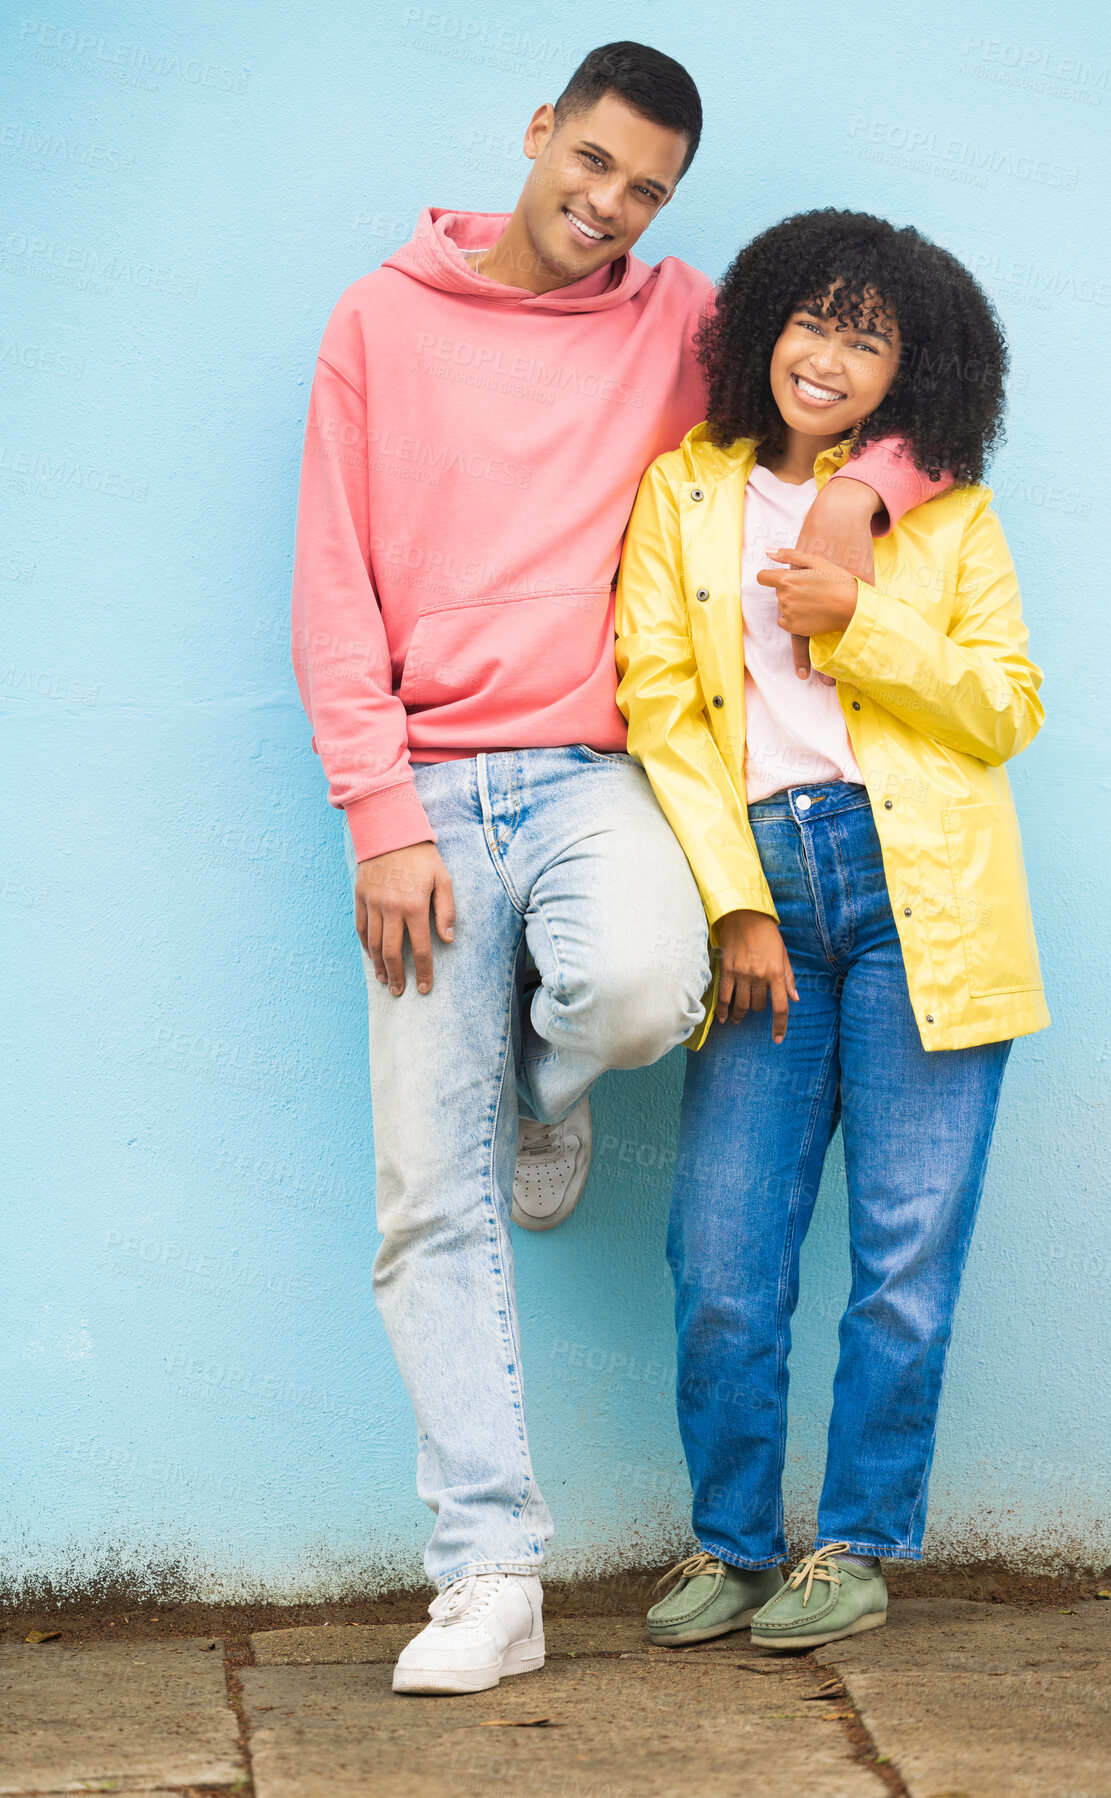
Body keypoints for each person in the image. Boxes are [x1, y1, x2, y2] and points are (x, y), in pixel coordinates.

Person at [292, 42, 950, 1695]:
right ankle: (491, 1570)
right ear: (537, 135)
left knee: (650, 988)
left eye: (644, 189)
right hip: (428, 789)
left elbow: (878, 386)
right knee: (425, 1193)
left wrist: (865, 505)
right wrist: (376, 813)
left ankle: (550, 1079)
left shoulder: (685, 321)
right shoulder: (379, 321)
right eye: (589, 164)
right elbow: (330, 587)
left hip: (597, 774)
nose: (606, 207)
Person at [615, 208, 1049, 1653]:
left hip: (925, 891)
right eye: (814, 319)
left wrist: (861, 617)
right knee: (725, 1254)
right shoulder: (686, 492)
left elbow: (1007, 704)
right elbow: (663, 708)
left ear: (906, 372)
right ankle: (733, 1540)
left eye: (870, 337)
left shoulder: (951, 510)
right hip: (769, 901)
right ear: (761, 330)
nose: (830, 354)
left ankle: (856, 1542)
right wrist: (736, 900)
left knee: (903, 1254)